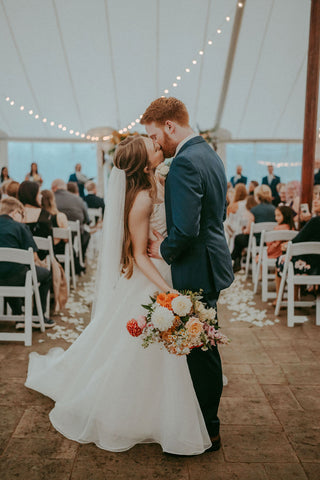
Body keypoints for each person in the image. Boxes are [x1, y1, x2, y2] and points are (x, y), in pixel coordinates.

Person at [25, 135, 212, 455]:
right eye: (151, 146)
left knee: (158, 354)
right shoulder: (140, 198)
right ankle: (131, 411)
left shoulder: (159, 181)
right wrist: (166, 291)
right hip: (150, 278)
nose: (157, 144)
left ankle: (159, 407)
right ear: (143, 162)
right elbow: (139, 254)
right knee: (137, 348)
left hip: (164, 270)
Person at [141, 97, 234, 452]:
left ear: (170, 126)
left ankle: (208, 427)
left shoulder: (183, 165)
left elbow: (187, 229)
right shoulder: (209, 155)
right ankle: (201, 419)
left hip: (196, 267)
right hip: (212, 260)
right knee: (202, 341)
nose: (155, 142)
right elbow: (220, 212)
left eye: (154, 134)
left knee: (200, 346)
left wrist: (163, 249)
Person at [0, 197, 54, 328]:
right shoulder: (19, 227)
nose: (23, 218)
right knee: (46, 275)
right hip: (16, 277)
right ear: (14, 212)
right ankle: (37, 316)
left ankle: (18, 315)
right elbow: (34, 257)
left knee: (7, 269)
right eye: (22, 214)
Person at [275, 186, 320, 301]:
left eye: (319, 199)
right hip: (317, 265)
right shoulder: (313, 220)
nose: (315, 200)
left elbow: (296, 241)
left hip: (310, 266)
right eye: (316, 197)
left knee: (282, 259)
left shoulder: (315, 221)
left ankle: (280, 299)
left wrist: (285, 245)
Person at [231, 184, 275, 272]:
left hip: (256, 241)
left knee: (238, 238)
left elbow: (248, 231)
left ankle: (234, 260)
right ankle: (235, 261)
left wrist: (244, 230)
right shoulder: (275, 209)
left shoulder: (254, 210)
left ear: (257, 196)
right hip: (270, 242)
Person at [52, 179, 90, 267]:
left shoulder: (51, 199)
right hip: (75, 236)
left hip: (55, 238)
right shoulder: (78, 199)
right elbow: (86, 219)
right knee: (86, 235)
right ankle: (80, 260)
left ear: (54, 188)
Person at [18, 181, 53, 260]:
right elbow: (50, 244)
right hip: (40, 260)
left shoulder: (14, 213)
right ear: (32, 195)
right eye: (39, 193)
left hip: (17, 260)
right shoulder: (44, 215)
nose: (41, 196)